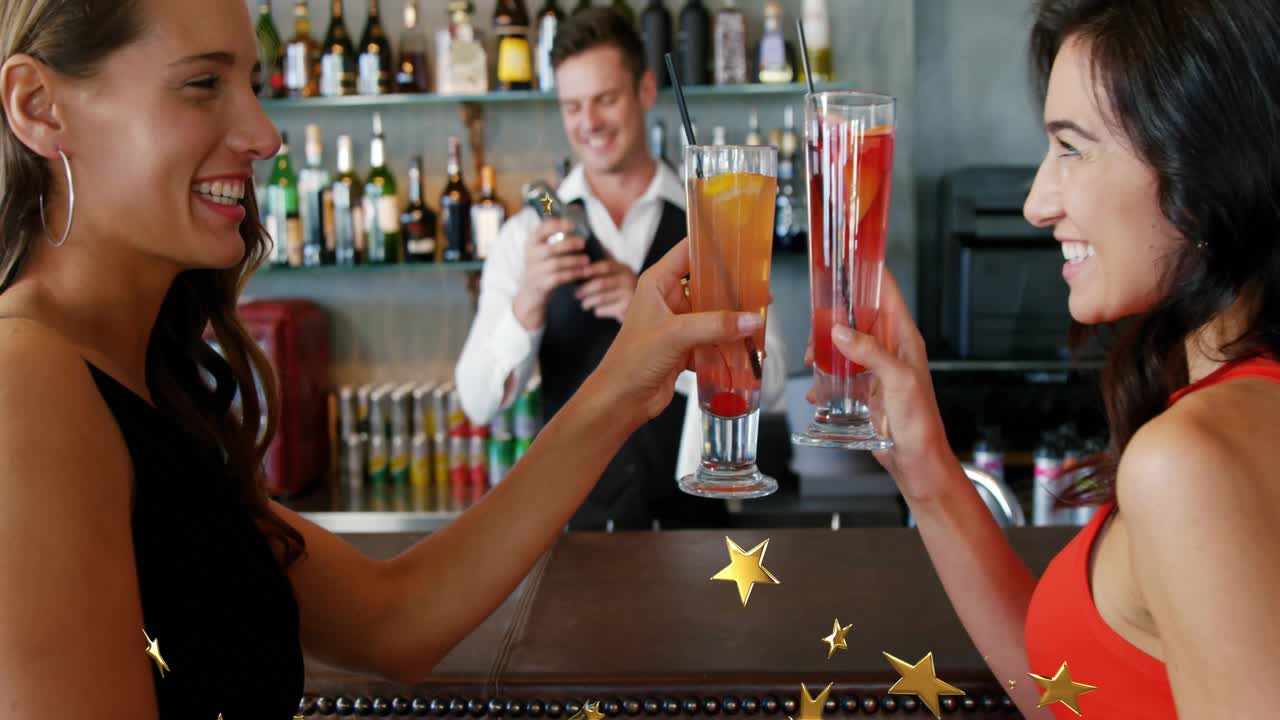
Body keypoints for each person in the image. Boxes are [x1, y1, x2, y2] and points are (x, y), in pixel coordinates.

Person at [0, 2, 765, 718]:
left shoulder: (146, 381)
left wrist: (626, 386)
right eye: (203, 84)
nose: (266, 135)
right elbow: (476, 401)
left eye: (254, 85)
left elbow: (396, 620)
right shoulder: (23, 384)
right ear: (39, 106)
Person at [823, 0, 1280, 717]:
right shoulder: (1228, 407)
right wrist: (927, 470)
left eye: (1070, 147)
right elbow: (1072, 695)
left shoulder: (1188, 462)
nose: (1036, 202)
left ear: (1202, 161)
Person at [455, 8, 786, 532]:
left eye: (605, 99)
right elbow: (475, 402)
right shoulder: (525, 236)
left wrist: (658, 317)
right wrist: (527, 305)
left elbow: (771, 383)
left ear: (646, 91)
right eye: (572, 106)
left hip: (695, 527)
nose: (589, 123)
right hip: (573, 532)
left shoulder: (712, 218)